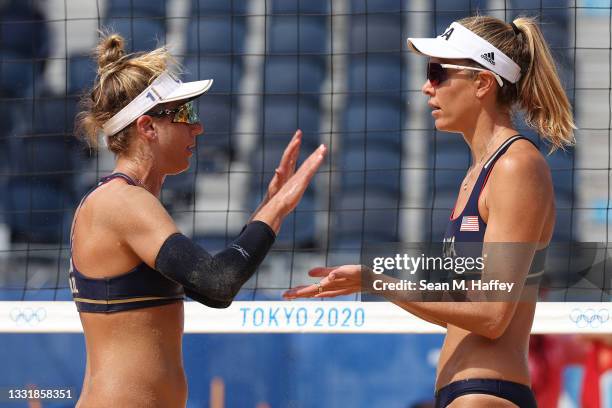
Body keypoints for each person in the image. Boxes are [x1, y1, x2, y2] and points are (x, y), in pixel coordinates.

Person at [285, 15, 575, 408]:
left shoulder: (516, 165)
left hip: (486, 395)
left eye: (438, 73)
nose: (426, 87)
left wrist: (379, 282)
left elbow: (491, 316)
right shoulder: (478, 172)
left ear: (483, 83)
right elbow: (471, 305)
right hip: (463, 391)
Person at [70, 33, 326, 407]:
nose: (198, 127)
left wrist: (267, 205)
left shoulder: (127, 202)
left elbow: (212, 281)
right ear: (147, 127)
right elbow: (217, 284)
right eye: (186, 113)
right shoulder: (121, 202)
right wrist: (277, 209)